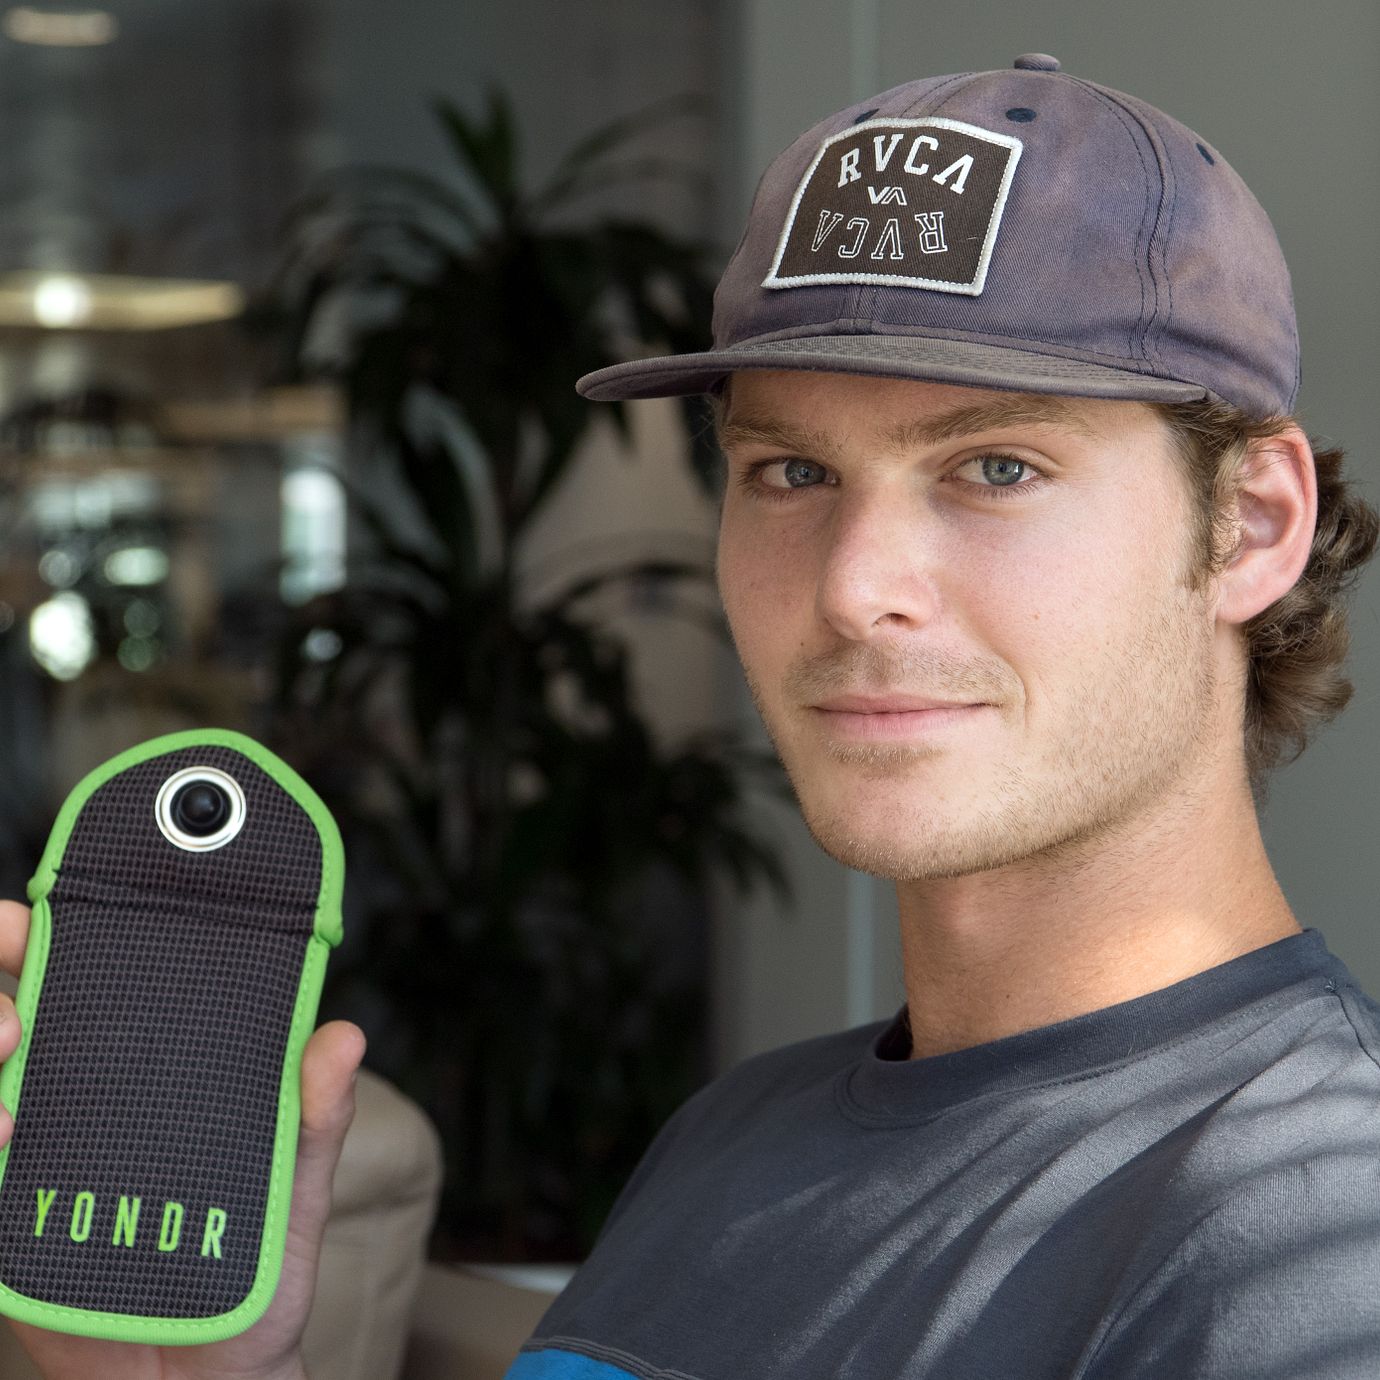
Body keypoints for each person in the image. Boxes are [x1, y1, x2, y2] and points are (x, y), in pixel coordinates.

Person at [1, 50, 1378, 1380]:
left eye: (997, 467)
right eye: (791, 472)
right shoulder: (738, 1134)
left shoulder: (1310, 1229)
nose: (853, 589)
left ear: (1252, 525)